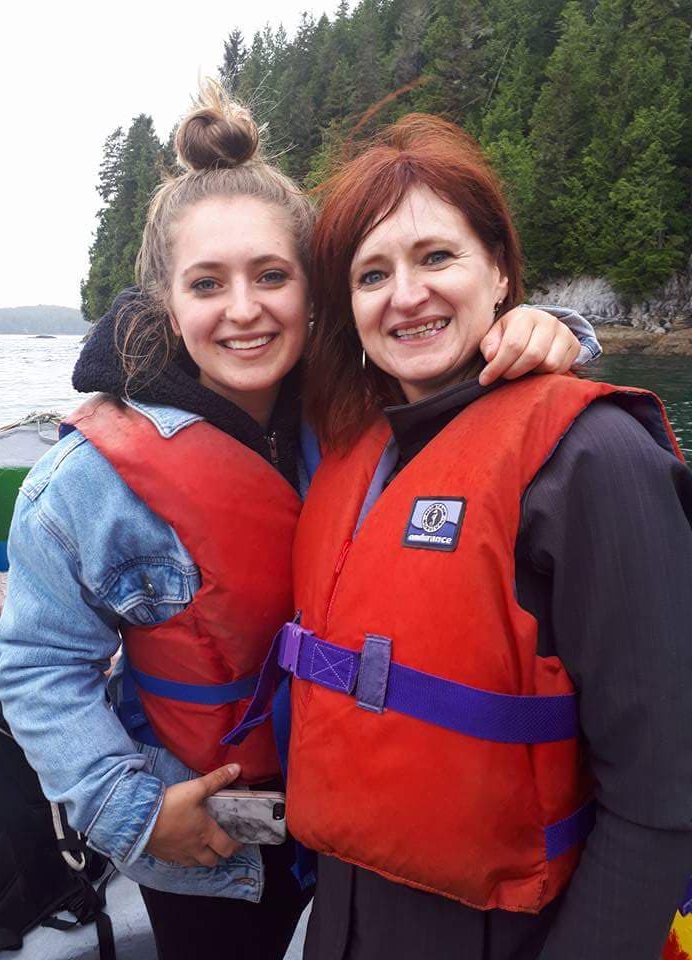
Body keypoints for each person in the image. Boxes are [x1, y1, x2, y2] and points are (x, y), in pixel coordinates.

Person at [0, 88, 597, 960]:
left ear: (313, 289)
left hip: (365, 815)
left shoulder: (364, 409)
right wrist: (136, 813)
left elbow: (460, 370)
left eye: (272, 276)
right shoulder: (83, 485)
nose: (244, 310)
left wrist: (542, 333)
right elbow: (38, 663)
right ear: (165, 298)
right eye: (207, 284)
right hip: (202, 842)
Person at [273, 115, 692, 960]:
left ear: (499, 270)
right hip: (348, 914)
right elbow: (218, 358)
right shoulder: (354, 443)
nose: (406, 295)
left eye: (438, 257)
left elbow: (664, 793)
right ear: (347, 307)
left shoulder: (596, 460)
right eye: (371, 273)